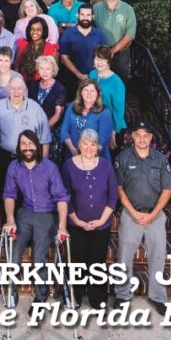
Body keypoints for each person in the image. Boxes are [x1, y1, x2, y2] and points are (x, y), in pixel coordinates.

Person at [3, 130, 69, 311]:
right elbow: (9, 194)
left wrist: (62, 226)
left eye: (31, 144)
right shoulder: (14, 167)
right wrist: (10, 220)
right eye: (23, 144)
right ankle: (12, 291)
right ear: (19, 147)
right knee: (14, 253)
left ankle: (41, 297)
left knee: (39, 257)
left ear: (37, 146)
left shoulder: (49, 167)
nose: (27, 147)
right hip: (25, 212)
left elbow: (61, 197)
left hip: (46, 214)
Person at [114, 120, 171, 315]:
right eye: (138, 135)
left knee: (158, 257)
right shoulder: (123, 158)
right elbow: (119, 188)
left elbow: (167, 190)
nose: (142, 139)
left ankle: (157, 296)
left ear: (151, 138)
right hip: (131, 214)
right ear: (132, 136)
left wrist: (153, 214)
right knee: (124, 256)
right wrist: (133, 212)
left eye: (145, 135)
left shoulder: (160, 160)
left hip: (155, 216)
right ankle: (123, 295)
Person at [60, 128, 118, 309]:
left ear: (98, 147)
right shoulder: (68, 166)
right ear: (79, 145)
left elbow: (113, 196)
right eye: (85, 143)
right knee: (76, 261)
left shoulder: (106, 166)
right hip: (76, 224)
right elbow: (64, 196)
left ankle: (97, 299)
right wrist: (76, 220)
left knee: (97, 262)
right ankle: (74, 297)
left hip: (101, 225)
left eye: (93, 144)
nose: (89, 147)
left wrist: (101, 220)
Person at [0, 76, 52, 213]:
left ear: (25, 90)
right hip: (4, 157)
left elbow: (45, 137)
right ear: (8, 90)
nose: (16, 92)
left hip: (28, 157)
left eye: (19, 89)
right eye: (13, 88)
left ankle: (23, 228)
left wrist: (43, 162)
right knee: (5, 191)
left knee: (25, 191)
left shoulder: (34, 108)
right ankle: (7, 227)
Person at [93, 0, 137, 82]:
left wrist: (113, 50)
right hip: (100, 53)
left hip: (120, 53)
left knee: (119, 82)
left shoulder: (128, 9)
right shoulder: (96, 8)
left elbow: (130, 34)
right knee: (99, 83)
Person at [58, 2, 104, 100]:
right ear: (77, 15)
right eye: (82, 14)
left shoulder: (99, 35)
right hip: (71, 79)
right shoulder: (68, 34)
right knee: (73, 106)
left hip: (94, 79)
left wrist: (93, 75)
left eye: (88, 15)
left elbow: (104, 57)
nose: (85, 18)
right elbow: (63, 57)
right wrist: (79, 75)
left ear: (93, 16)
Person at [59, 79, 115, 157]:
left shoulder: (105, 112)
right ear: (80, 92)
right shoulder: (72, 106)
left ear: (97, 94)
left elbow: (103, 142)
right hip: (72, 153)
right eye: (86, 90)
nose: (89, 93)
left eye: (92, 91)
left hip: (95, 156)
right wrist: (72, 149)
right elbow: (64, 130)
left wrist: (86, 157)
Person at [27, 56, 67, 161]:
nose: (44, 72)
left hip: (51, 130)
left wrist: (42, 130)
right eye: (41, 68)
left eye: (48, 69)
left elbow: (58, 115)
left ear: (53, 70)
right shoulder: (33, 85)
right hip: (33, 129)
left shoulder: (60, 88)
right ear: (38, 70)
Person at [90, 45, 127, 141]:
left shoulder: (116, 83)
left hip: (112, 126)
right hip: (95, 122)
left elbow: (119, 110)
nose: (99, 62)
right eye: (97, 59)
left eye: (102, 59)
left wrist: (114, 130)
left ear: (108, 61)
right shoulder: (92, 74)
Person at [14, 16, 59, 81]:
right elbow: (16, 68)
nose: (35, 32)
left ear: (44, 31)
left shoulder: (51, 49)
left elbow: (54, 73)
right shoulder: (22, 46)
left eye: (39, 30)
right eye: (32, 29)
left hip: (42, 85)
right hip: (23, 84)